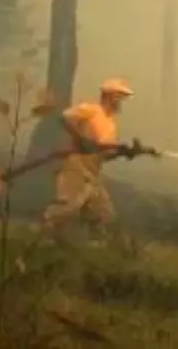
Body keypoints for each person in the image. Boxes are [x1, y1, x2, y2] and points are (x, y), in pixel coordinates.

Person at [38, 77, 135, 242]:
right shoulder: (91, 110)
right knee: (66, 206)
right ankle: (41, 239)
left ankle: (98, 247)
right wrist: (81, 137)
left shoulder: (110, 124)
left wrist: (124, 153)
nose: (121, 102)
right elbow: (64, 118)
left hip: (93, 172)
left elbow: (103, 154)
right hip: (75, 167)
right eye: (119, 97)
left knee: (104, 214)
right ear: (109, 96)